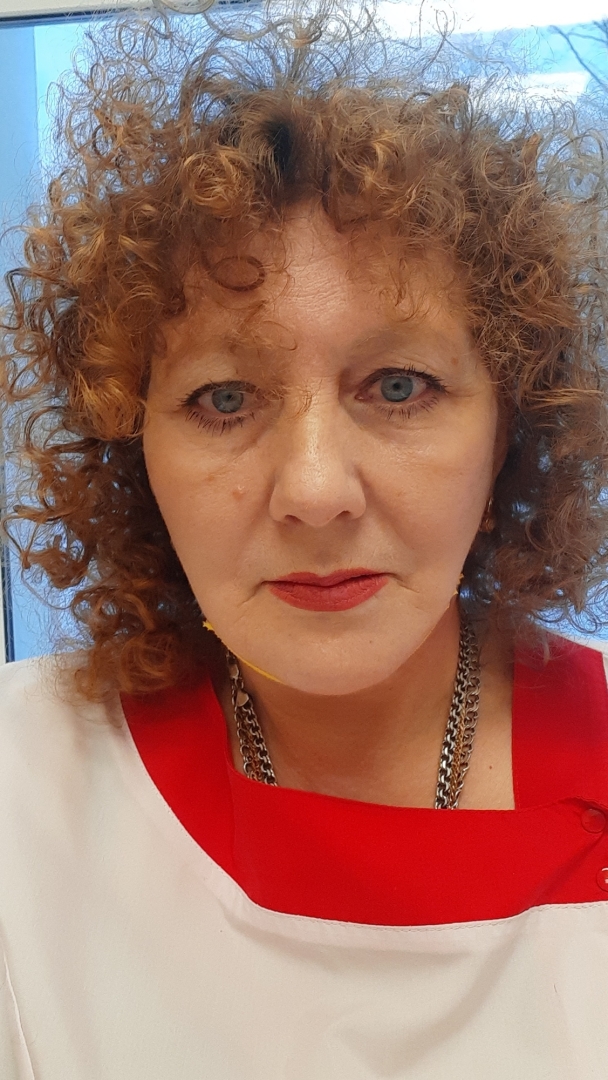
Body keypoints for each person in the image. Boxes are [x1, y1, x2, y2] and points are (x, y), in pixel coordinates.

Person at [1, 2, 608, 1076]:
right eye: (224, 398)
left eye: (399, 386)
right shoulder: (25, 794)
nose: (316, 492)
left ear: (506, 434)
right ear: (132, 450)